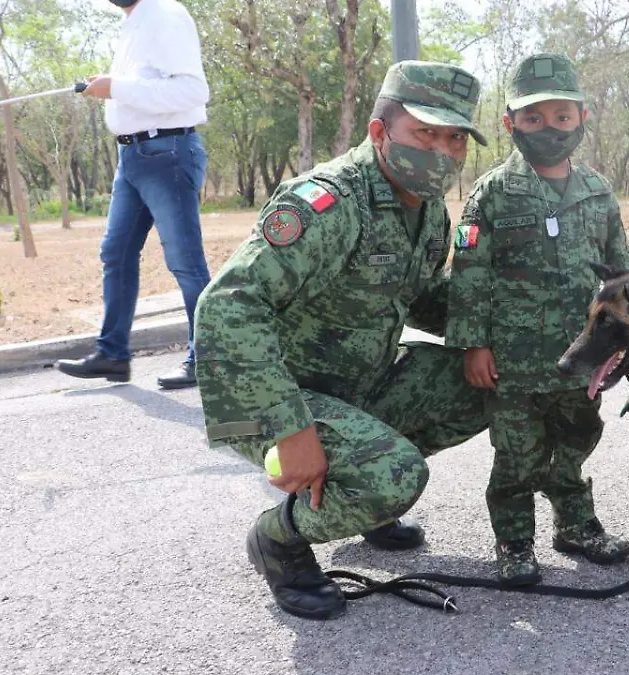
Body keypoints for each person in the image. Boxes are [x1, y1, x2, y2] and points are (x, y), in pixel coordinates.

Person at [193, 61, 490, 621]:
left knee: (477, 381)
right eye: (425, 133)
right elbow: (228, 305)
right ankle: (277, 538)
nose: (444, 152)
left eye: (455, 139)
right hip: (274, 397)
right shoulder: (329, 203)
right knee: (396, 475)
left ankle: (361, 495)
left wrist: (494, 327)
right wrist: (291, 427)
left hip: (354, 384)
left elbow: (421, 298)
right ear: (380, 133)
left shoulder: (426, 209)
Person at [446, 53, 629, 586]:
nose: (548, 129)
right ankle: (514, 543)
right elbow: (468, 275)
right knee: (516, 454)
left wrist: (628, 342)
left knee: (578, 437)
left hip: (581, 360)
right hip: (513, 363)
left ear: (582, 117)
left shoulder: (598, 192)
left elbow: (623, 275)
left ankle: (575, 525)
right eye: (533, 118)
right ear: (509, 124)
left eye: (560, 117)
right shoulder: (492, 193)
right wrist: (473, 346)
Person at [55, 0, 212, 390]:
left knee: (185, 262)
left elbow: (193, 90)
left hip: (167, 153)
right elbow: (146, 86)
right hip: (132, 157)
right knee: (116, 252)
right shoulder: (133, 23)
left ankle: (209, 359)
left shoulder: (165, 14)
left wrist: (117, 87)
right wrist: (112, 85)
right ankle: (113, 356)